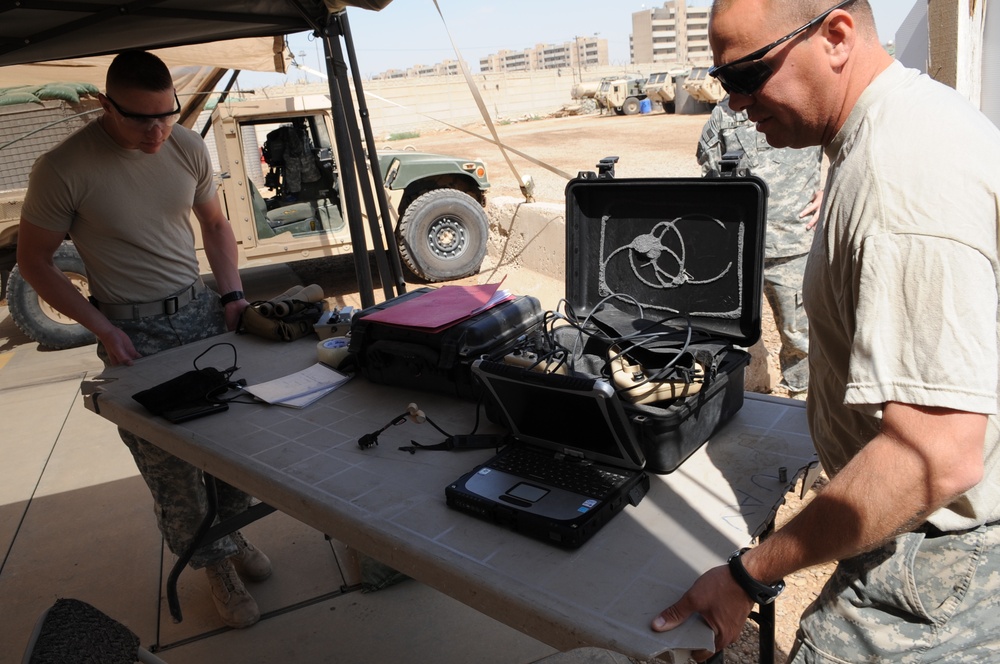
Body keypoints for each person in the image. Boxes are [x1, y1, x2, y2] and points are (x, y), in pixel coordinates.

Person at [651, 1, 1000, 662]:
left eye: (750, 74)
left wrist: (749, 573)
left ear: (836, 36)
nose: (737, 103)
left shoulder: (904, 175)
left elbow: (936, 453)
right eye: (725, 82)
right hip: (910, 527)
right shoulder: (884, 130)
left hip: (938, 552)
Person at [17, 51, 271, 629]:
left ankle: (233, 539)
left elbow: (214, 225)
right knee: (172, 467)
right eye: (141, 119)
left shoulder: (185, 145)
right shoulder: (63, 168)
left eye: (167, 115)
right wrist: (102, 327)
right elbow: (35, 262)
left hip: (201, 314)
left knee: (232, 443)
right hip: (134, 331)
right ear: (107, 105)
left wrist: (231, 296)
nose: (158, 131)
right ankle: (215, 568)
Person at [696, 95, 823, 397]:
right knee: (732, 334)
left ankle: (804, 404)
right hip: (738, 250)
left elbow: (849, 145)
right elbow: (709, 175)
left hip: (792, 245)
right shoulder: (724, 114)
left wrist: (831, 189)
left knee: (801, 338)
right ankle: (749, 394)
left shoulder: (803, 100)